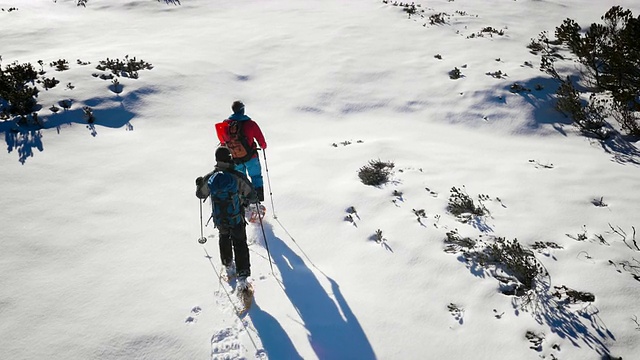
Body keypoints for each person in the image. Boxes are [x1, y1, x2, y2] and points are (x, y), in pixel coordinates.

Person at [196, 146, 258, 291]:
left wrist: (199, 184)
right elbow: (252, 195)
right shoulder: (237, 176)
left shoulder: (211, 177)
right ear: (230, 158)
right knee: (240, 242)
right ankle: (243, 276)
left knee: (224, 237)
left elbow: (201, 194)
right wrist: (245, 199)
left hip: (220, 218)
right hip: (236, 217)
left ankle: (227, 264)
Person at [224, 100, 267, 202]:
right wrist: (263, 146)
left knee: (241, 180)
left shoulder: (226, 124)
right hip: (251, 157)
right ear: (242, 110)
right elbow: (261, 141)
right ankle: (257, 201)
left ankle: (244, 202)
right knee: (256, 177)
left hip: (235, 158)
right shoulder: (250, 124)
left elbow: (223, 141)